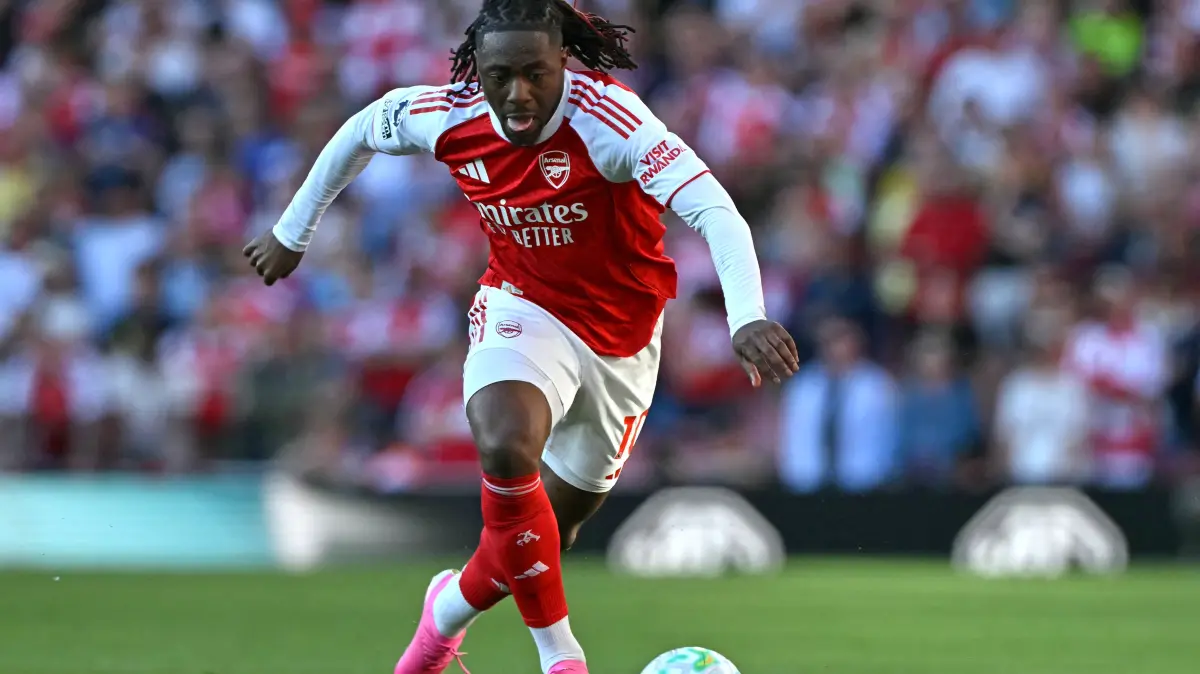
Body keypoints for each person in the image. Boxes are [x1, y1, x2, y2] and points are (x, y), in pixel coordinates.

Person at [241, 1, 798, 673]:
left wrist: (747, 316)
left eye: (535, 72)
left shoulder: (610, 124)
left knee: (535, 544)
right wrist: (290, 233)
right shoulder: (449, 114)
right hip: (523, 310)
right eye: (500, 73)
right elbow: (361, 129)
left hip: (622, 343)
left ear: (563, 59)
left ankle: (441, 616)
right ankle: (562, 660)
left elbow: (714, 210)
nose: (518, 92)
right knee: (505, 443)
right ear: (478, 68)